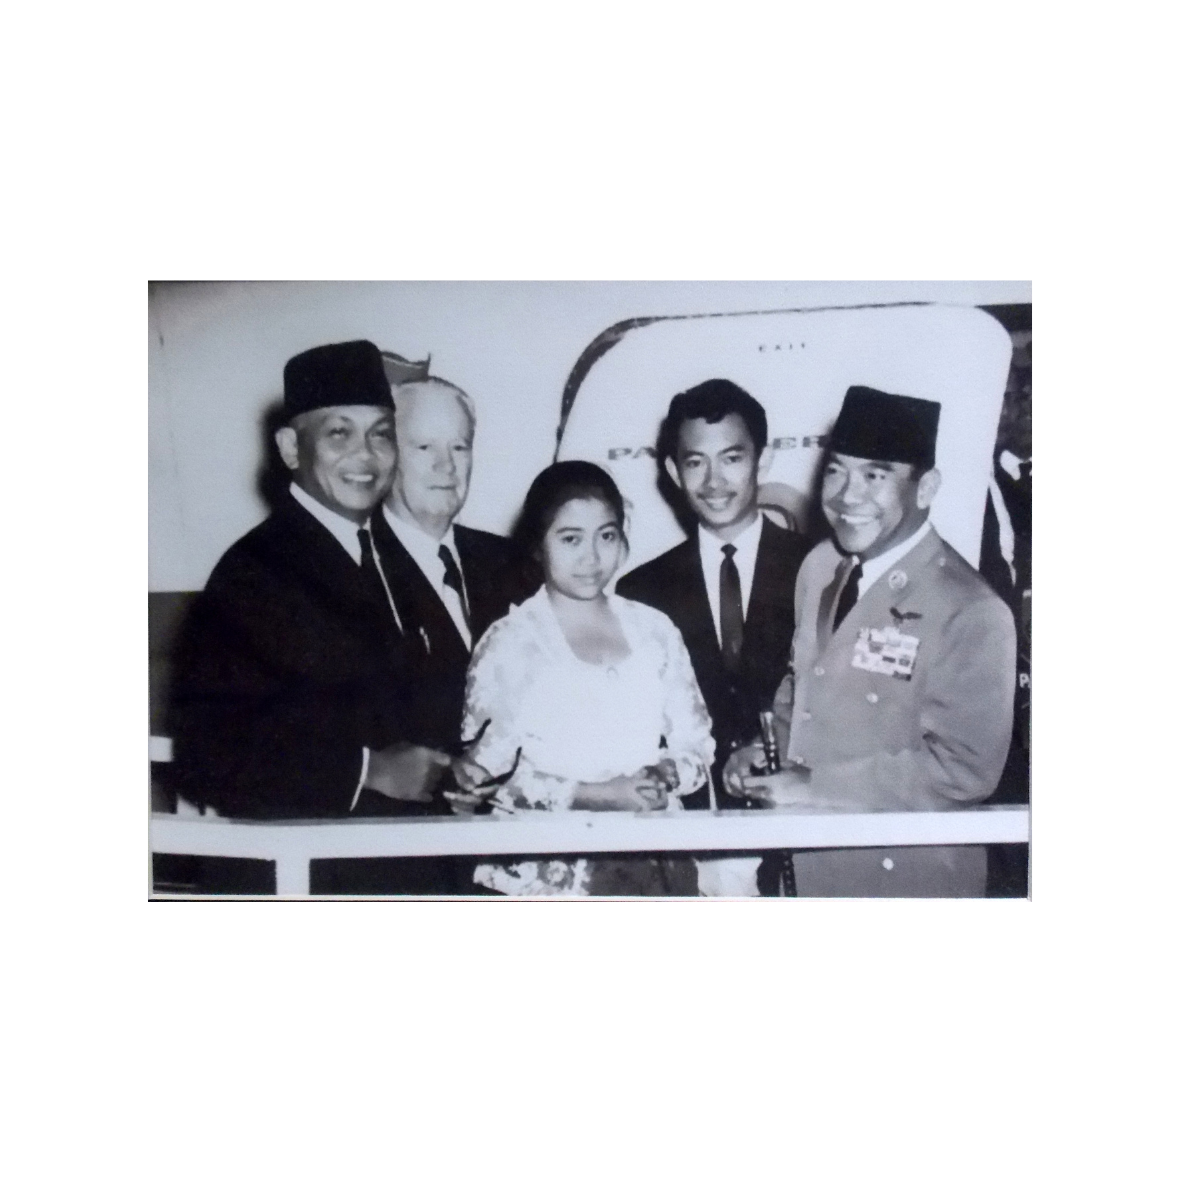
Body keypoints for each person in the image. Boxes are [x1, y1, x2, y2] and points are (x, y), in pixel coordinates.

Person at [170, 340, 460, 891]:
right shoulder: (252, 573)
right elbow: (206, 755)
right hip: (308, 872)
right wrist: (369, 770)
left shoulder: (394, 556)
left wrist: (452, 770)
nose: (366, 456)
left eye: (381, 434)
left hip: (410, 861)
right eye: (339, 434)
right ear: (290, 447)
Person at [723, 385, 1018, 898]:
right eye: (835, 471)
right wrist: (760, 753)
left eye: (875, 476)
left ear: (925, 489)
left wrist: (815, 787)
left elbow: (964, 770)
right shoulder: (821, 568)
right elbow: (804, 691)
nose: (846, 496)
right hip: (806, 868)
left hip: (906, 878)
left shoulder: (971, 609)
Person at [448, 462, 714, 896]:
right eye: (570, 539)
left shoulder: (655, 630)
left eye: (606, 536)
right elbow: (487, 778)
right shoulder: (511, 641)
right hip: (550, 872)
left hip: (655, 861)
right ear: (537, 544)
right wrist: (598, 794)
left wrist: (664, 774)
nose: (590, 557)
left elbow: (697, 744)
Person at [615, 379, 809, 895]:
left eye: (732, 459)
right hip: (690, 843)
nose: (714, 481)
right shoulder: (640, 591)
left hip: (804, 833)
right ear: (673, 471)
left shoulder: (818, 568)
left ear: (764, 460)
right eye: (695, 462)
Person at [371, 376, 538, 758]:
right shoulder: (356, 569)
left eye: (459, 447)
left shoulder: (512, 561)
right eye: (424, 446)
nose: (446, 465)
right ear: (387, 454)